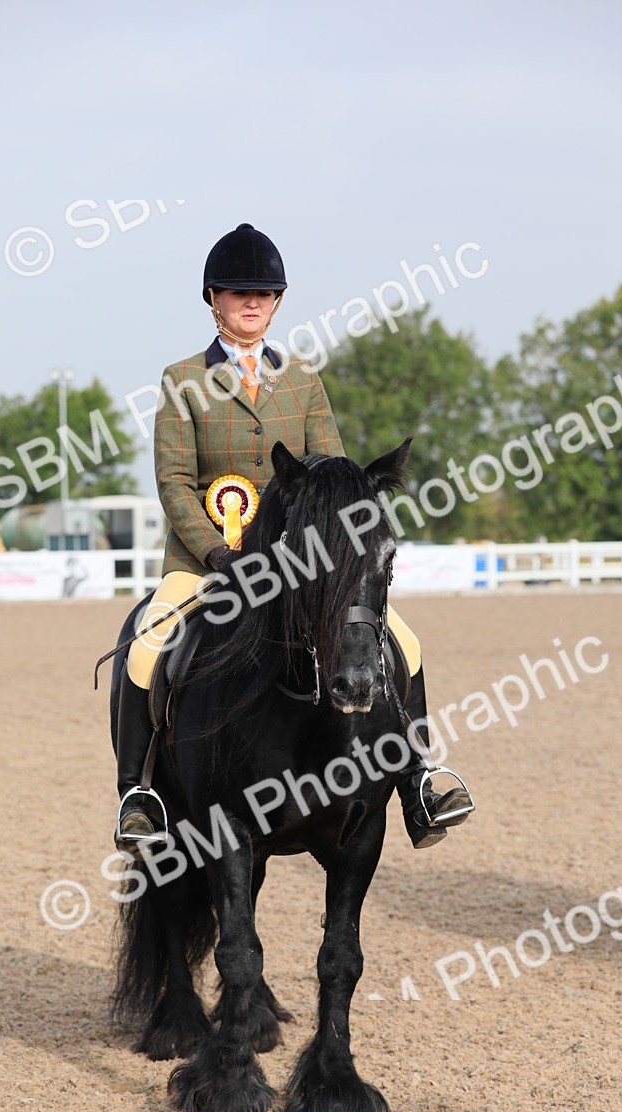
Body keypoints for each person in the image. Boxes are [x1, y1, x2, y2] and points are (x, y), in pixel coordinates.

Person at [114, 223, 474, 854]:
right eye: (239, 293)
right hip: (208, 562)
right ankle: (139, 796)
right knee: (147, 647)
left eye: (264, 293)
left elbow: (334, 477)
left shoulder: (304, 380)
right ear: (214, 299)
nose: (252, 303)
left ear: (277, 302)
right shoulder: (181, 380)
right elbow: (174, 483)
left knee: (405, 643)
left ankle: (417, 780)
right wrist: (219, 552)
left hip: (302, 565)